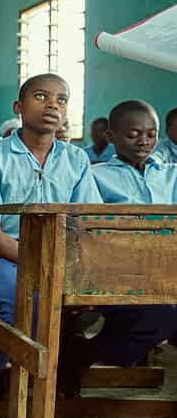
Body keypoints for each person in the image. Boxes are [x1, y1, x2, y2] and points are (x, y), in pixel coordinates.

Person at [0, 74, 102, 399]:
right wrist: (39, 261)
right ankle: (3, 372)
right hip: (5, 257)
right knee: (19, 300)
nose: (52, 104)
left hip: (64, 258)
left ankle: (55, 367)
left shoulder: (76, 158)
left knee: (94, 300)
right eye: (41, 96)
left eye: (61, 99)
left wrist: (63, 263)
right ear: (19, 106)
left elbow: (86, 224)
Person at [59, 100, 177, 396]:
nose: (143, 142)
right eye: (133, 134)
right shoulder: (96, 176)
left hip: (166, 271)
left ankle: (84, 352)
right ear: (111, 137)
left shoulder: (171, 174)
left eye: (151, 134)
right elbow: (85, 233)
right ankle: (82, 354)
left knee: (163, 315)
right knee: (160, 316)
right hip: (113, 274)